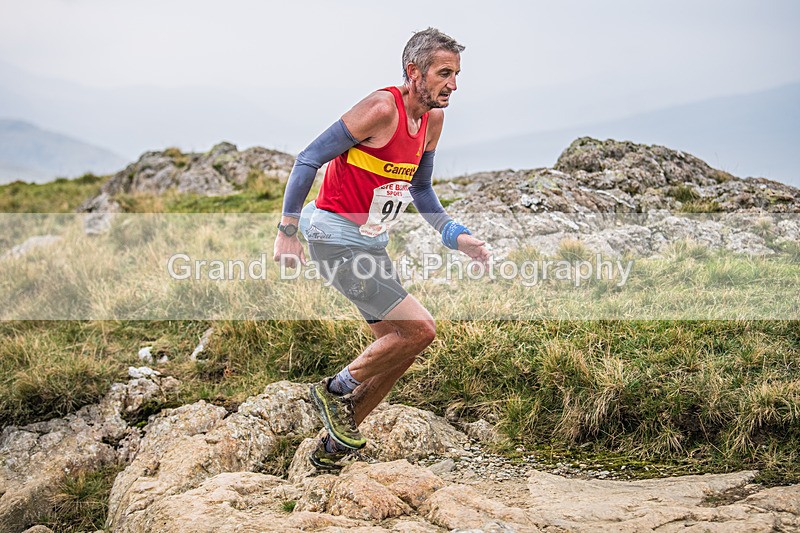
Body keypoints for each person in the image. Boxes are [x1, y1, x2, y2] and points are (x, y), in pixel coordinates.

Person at [273, 27, 490, 471]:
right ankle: (332, 391)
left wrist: (456, 235)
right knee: (420, 330)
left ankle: (331, 450)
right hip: (332, 237)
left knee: (398, 348)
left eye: (456, 74)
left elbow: (421, 188)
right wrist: (287, 229)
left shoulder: (433, 120)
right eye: (444, 73)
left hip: (370, 242)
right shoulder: (380, 108)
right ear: (414, 72)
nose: (453, 84)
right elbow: (307, 158)